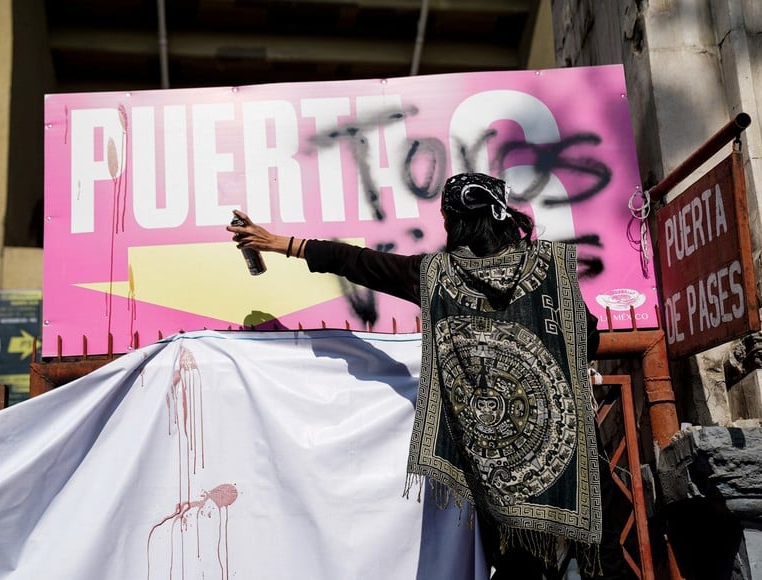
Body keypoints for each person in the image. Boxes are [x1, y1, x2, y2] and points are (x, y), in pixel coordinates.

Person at [227, 172, 629, 579]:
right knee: (606, 557)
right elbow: (588, 339)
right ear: (503, 215)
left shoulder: (436, 275)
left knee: (516, 566)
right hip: (571, 453)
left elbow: (359, 263)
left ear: (453, 223)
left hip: (494, 466)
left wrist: (278, 243)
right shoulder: (551, 268)